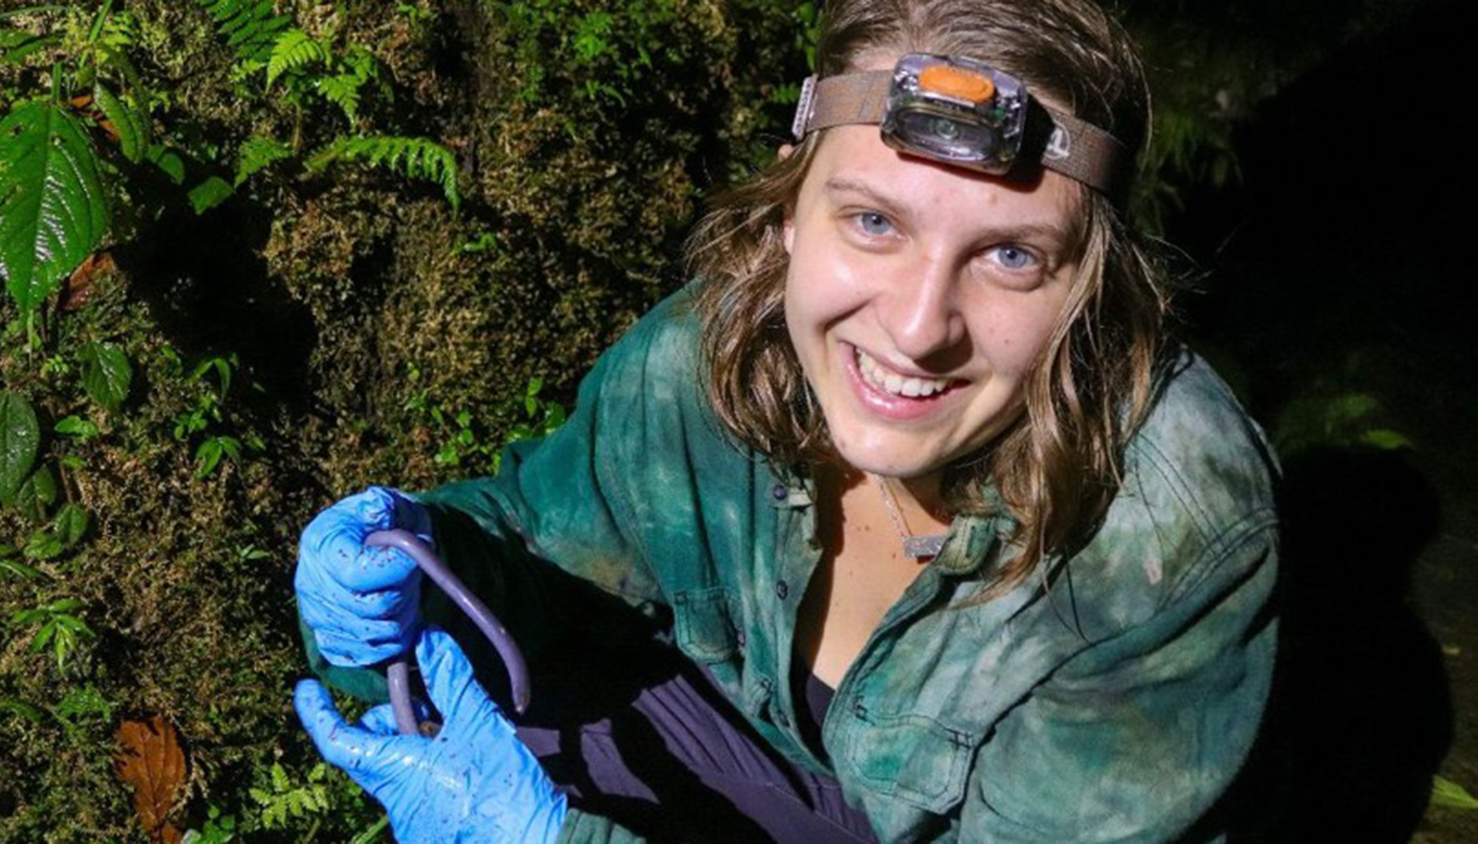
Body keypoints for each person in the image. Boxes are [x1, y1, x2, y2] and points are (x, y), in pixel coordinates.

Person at [292, 0, 1280, 842]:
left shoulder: (1170, 532)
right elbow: (542, 548)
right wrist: (420, 563)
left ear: (1092, 290)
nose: (918, 327)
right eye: (875, 222)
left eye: (1011, 256)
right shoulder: (704, 357)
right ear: (790, 211)